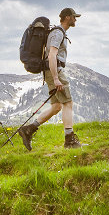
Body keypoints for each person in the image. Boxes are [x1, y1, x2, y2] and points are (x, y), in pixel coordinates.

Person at [19, 8, 83, 150]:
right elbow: (52, 55)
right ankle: (69, 140)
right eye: (74, 17)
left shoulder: (58, 32)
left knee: (56, 106)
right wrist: (56, 78)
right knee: (67, 103)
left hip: (51, 71)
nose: (75, 19)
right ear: (67, 17)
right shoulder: (57, 33)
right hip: (55, 71)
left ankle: (28, 130)